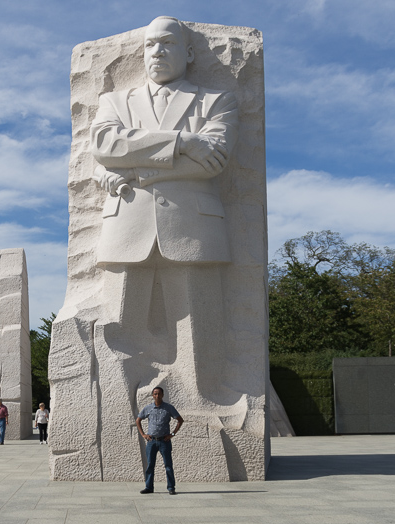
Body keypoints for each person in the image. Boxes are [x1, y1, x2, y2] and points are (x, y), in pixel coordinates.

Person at [89, 15, 240, 420]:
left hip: (194, 227)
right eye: (150, 45)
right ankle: (115, 411)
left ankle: (204, 401)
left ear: (189, 53)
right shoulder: (115, 102)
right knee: (119, 324)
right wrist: (183, 142)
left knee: (198, 324)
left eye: (168, 44)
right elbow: (105, 144)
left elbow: (214, 162)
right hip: (126, 225)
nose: (157, 51)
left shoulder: (216, 100)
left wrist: (138, 168)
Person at [135, 386, 183, 495]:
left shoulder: (169, 408)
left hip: (164, 442)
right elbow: (138, 420)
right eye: (155, 394)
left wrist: (172, 434)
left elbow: (180, 420)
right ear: (152, 395)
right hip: (151, 441)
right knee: (150, 465)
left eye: (159, 394)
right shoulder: (148, 408)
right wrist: (143, 434)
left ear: (162, 395)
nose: (157, 396)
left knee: (168, 465)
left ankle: (171, 487)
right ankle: (149, 487)